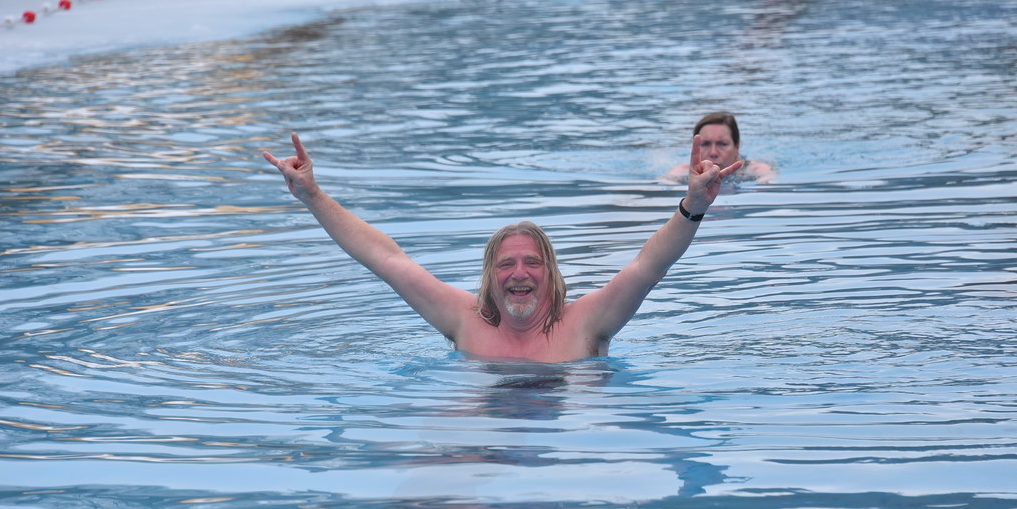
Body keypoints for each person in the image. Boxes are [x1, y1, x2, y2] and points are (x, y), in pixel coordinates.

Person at [262, 133, 741, 363]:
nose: (519, 273)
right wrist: (313, 196)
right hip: (483, 435)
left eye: (532, 262)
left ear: (551, 273)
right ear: (490, 277)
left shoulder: (586, 321)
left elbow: (646, 267)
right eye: (506, 263)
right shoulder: (463, 319)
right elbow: (386, 259)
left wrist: (692, 208)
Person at [664, 112, 774, 183]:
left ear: (736, 147)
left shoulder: (755, 170)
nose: (713, 153)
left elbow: (768, 181)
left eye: (722, 144)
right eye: (705, 144)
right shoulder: (681, 173)